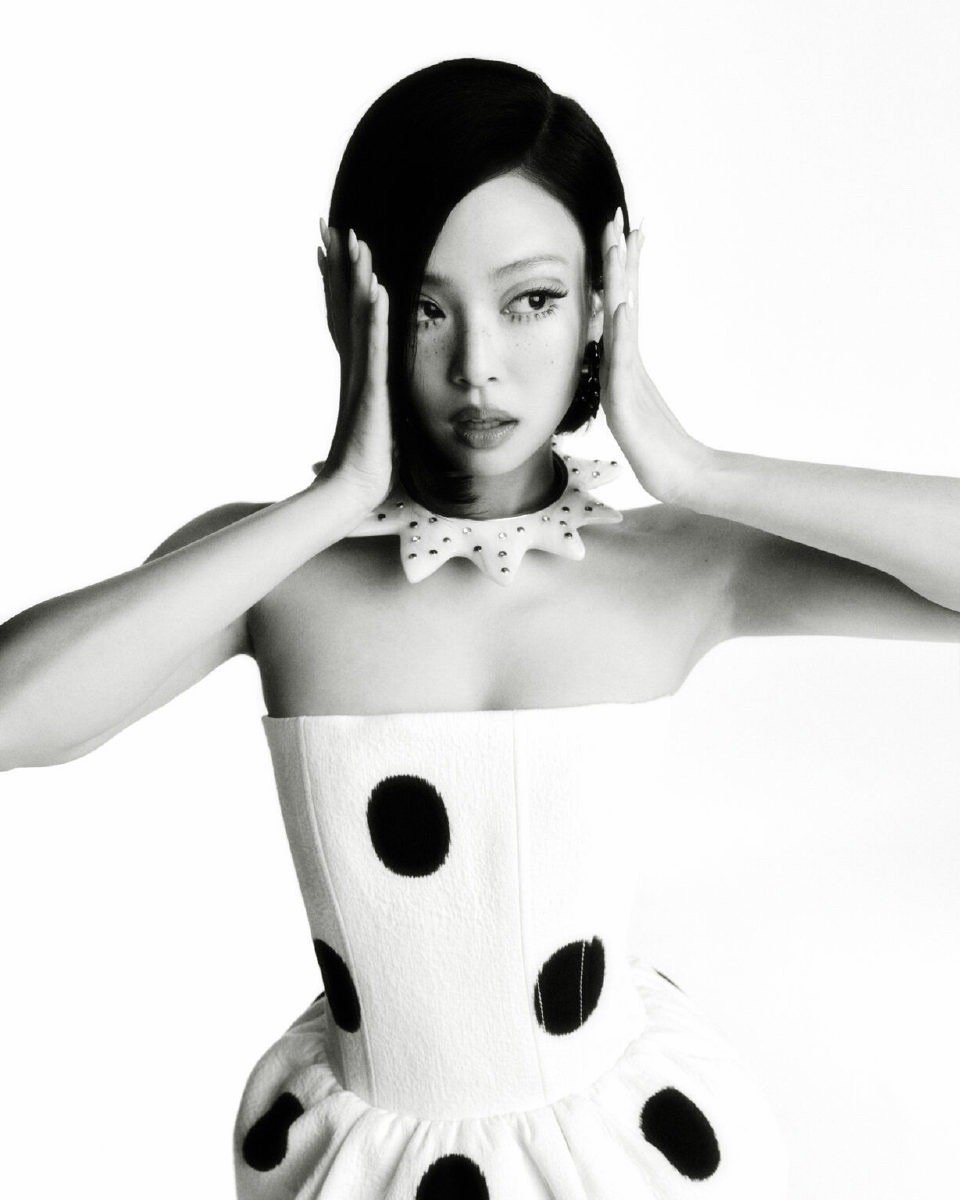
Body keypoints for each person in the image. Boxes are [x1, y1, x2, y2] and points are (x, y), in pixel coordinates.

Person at [1, 55, 958, 1199]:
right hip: (367, 1160)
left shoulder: (687, 565)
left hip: (622, 1156)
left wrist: (697, 468)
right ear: (347, 305)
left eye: (532, 299)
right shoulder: (274, 572)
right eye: (423, 304)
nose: (478, 367)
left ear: (602, 299)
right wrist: (332, 500)